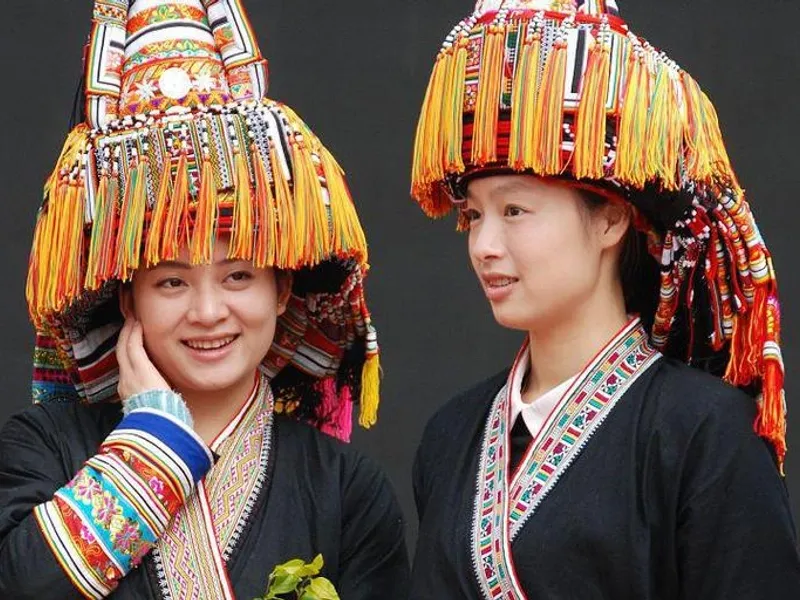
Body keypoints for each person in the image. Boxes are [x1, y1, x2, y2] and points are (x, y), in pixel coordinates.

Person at [0, 1, 408, 598]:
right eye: (172, 282)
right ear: (129, 300)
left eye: (238, 276)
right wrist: (153, 440)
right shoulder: (45, 448)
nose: (209, 312)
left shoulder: (346, 490)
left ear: (282, 288)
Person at [407, 0, 800, 598]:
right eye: (475, 215)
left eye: (515, 210)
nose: (484, 245)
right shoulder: (451, 435)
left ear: (611, 220)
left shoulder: (705, 433)